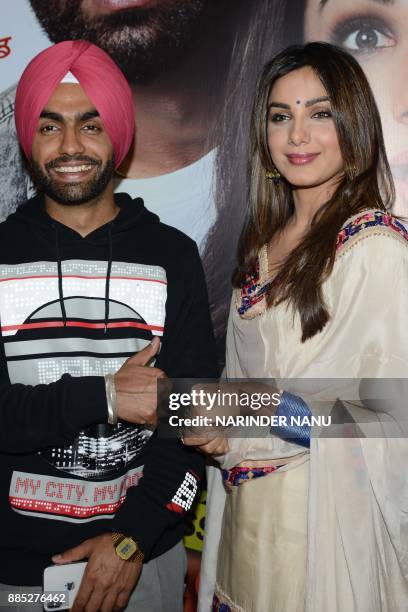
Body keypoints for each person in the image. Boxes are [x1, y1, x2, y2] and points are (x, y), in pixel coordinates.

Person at [186, 42, 408, 611]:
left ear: (354, 123)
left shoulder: (377, 248)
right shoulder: (258, 249)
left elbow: (396, 418)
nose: (297, 135)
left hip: (327, 540)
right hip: (243, 529)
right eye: (281, 116)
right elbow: (240, 394)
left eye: (320, 112)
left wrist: (266, 411)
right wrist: (216, 427)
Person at [0, 40, 217, 612]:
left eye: (90, 125)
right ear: (28, 139)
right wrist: (105, 396)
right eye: (50, 127)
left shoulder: (173, 255)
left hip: (138, 565)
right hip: (15, 580)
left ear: (118, 135)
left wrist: (131, 541)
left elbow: (192, 425)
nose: (70, 146)